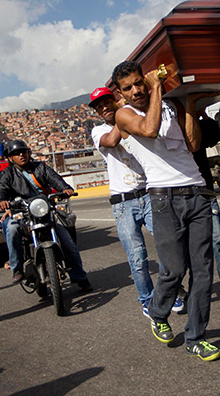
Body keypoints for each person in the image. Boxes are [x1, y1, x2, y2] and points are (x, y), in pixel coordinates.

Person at [113, 61, 220, 362]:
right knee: (174, 270)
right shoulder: (125, 115)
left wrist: (188, 104)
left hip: (197, 192)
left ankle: (196, 338)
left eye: (139, 83)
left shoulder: (171, 104)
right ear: (120, 93)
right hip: (163, 199)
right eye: (128, 88)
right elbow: (149, 129)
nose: (136, 90)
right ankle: (158, 313)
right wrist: (158, 86)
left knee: (202, 272)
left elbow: (194, 144)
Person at [88, 87, 183, 316]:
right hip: (123, 202)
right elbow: (111, 142)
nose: (103, 108)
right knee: (137, 256)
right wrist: (124, 116)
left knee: (165, 247)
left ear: (114, 100)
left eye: (106, 102)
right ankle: (148, 299)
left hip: (148, 194)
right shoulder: (99, 130)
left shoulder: (133, 117)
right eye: (98, 106)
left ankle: (170, 293)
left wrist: (129, 114)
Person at [0, 139, 92, 291]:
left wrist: (65, 188)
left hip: (44, 211)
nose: (21, 155)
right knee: (12, 229)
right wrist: (1, 200)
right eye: (16, 153)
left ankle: (80, 277)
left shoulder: (40, 167)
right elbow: (2, 188)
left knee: (68, 243)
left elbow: (54, 178)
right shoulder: (8, 174)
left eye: (23, 151)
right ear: (10, 158)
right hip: (22, 213)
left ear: (28, 153)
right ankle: (17, 268)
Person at [191, 111, 220, 303]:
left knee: (217, 240)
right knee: (191, 248)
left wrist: (203, 115)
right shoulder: (167, 128)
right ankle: (197, 289)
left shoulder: (197, 125)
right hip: (182, 198)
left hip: (206, 193)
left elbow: (215, 136)